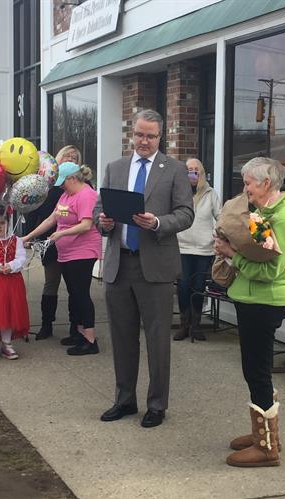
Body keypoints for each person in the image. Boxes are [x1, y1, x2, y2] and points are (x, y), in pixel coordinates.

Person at [94, 109, 194, 428]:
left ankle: (157, 404)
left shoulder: (174, 169)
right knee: (122, 338)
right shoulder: (115, 168)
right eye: (139, 134)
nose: (144, 141)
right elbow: (99, 209)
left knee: (157, 340)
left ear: (160, 136)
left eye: (150, 136)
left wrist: (157, 222)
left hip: (155, 268)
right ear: (131, 133)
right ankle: (124, 400)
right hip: (119, 265)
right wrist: (103, 222)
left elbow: (185, 214)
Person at [214, 157, 285, 467]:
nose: (246, 189)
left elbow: (271, 272)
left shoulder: (283, 220)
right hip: (254, 301)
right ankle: (265, 434)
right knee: (256, 370)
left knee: (257, 371)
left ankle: (267, 448)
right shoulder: (265, 213)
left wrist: (232, 255)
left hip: (263, 303)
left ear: (266, 184)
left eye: (249, 183)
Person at [23, 162, 101, 356]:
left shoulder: (87, 195)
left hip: (82, 253)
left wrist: (61, 235)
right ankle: (79, 334)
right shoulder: (66, 196)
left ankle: (90, 340)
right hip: (66, 254)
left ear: (72, 178)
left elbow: (86, 225)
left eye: (62, 183)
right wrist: (27, 236)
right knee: (74, 294)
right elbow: (52, 220)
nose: (61, 187)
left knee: (81, 294)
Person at [24, 145, 83, 343]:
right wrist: (29, 235)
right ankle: (46, 324)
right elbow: (36, 211)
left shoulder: (84, 187)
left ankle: (77, 327)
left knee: (75, 288)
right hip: (51, 242)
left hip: (75, 245)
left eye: (74, 158)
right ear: (58, 159)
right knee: (51, 284)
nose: (70, 159)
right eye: (67, 156)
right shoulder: (48, 185)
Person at [174, 158, 221, 341]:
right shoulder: (178, 193)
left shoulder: (210, 194)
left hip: (203, 249)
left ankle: (196, 325)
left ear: (201, 173)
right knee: (183, 286)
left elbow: (220, 216)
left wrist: (218, 236)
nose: (192, 173)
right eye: (189, 170)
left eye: (196, 170)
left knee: (199, 286)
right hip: (182, 246)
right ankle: (184, 324)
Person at [0, 206, 29, 361]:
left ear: (8, 223)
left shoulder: (15, 240)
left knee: (8, 312)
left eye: (2, 223)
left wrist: (11, 266)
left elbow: (22, 258)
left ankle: (6, 344)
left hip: (11, 281)